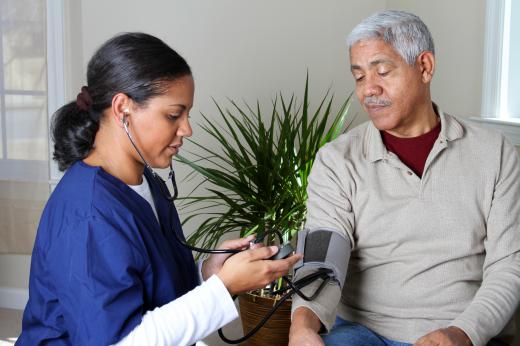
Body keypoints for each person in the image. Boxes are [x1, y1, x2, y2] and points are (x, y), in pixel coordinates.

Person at [17, 32, 301, 346]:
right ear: (123, 108)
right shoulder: (88, 215)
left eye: (186, 115)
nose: (187, 129)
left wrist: (207, 274)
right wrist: (222, 288)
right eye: (173, 115)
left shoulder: (146, 183)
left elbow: (149, 286)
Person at [289, 10, 520, 346]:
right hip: (363, 332)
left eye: (382, 71)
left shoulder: (494, 154)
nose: (369, 90)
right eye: (358, 77)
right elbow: (323, 256)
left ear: (424, 67)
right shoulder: (337, 160)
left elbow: (509, 266)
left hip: (462, 331)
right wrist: (303, 326)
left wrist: (463, 333)